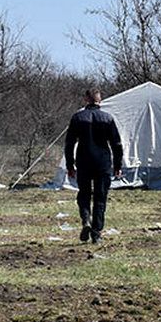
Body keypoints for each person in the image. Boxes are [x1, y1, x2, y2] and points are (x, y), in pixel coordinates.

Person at [64, 88, 124, 244]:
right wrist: (118, 165)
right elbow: (117, 144)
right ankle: (96, 233)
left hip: (83, 160)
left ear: (86, 100)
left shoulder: (77, 118)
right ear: (100, 101)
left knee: (84, 194)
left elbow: (69, 144)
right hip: (102, 162)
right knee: (100, 197)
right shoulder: (107, 118)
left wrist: (70, 165)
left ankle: (86, 220)